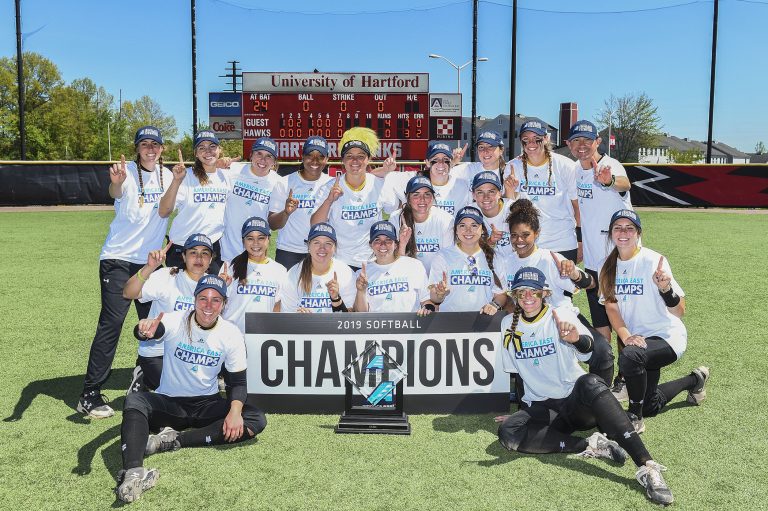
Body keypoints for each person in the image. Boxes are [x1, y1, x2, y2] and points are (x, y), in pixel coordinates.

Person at [496, 267, 674, 506]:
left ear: (544, 294)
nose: (528, 297)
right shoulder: (508, 324)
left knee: (590, 381)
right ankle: (591, 445)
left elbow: (591, 351)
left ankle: (647, 466)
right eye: (522, 292)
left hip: (575, 403)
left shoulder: (560, 316)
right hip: (544, 408)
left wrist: (576, 339)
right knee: (508, 433)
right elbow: (517, 373)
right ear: (515, 295)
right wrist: (518, 412)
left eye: (534, 292)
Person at [115, 275, 266, 503]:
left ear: (224, 304)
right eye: (203, 298)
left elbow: (238, 383)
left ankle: (175, 440)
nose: (208, 305)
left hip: (206, 405)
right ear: (194, 300)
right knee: (135, 400)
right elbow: (152, 330)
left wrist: (235, 413)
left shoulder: (231, 333)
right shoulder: (176, 320)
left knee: (255, 418)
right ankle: (134, 473)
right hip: (170, 403)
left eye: (216, 300)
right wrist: (144, 329)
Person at [77, 126, 172, 419]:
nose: (150, 149)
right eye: (145, 144)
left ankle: (145, 376)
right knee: (112, 323)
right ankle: (89, 393)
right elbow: (115, 191)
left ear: (162, 148)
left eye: (155, 144)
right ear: (137, 148)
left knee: (155, 323)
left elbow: (169, 210)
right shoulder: (127, 171)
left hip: (151, 262)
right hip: (118, 259)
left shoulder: (168, 176)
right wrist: (116, 182)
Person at [598, 209, 709, 434]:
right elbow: (611, 307)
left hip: (668, 337)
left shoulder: (653, 260)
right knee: (650, 404)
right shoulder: (606, 266)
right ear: (610, 234)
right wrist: (626, 335)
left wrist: (665, 289)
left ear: (638, 233)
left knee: (630, 355)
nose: (623, 232)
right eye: (618, 227)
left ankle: (634, 417)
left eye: (630, 228)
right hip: (639, 341)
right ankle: (694, 380)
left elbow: (679, 311)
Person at [495, 199, 614, 385]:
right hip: (527, 322)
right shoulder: (506, 262)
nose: (519, 240)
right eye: (514, 235)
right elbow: (505, 297)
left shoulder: (550, 258)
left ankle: (598, 399)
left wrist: (574, 272)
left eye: (525, 235)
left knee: (602, 352)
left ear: (537, 234)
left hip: (559, 316)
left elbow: (591, 284)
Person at [565, 120, 633, 398]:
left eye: (587, 141)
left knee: (621, 322)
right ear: (569, 145)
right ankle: (604, 374)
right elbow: (581, 211)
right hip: (594, 261)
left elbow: (623, 183)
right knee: (601, 323)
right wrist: (580, 242)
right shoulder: (574, 173)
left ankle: (626, 377)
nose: (582, 146)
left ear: (598, 143)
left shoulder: (610, 165)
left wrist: (608, 180)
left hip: (617, 260)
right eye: (576, 141)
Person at [122, 233, 214, 393]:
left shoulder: (213, 285)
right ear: (184, 256)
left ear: (211, 259)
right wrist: (149, 267)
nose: (199, 258)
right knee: (180, 396)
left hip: (192, 354)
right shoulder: (168, 275)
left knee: (199, 397)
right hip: (158, 352)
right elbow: (128, 293)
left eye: (205, 253)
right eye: (193, 252)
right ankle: (145, 375)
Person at [311, 127, 398, 271]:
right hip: (341, 261)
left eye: (361, 156)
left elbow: (394, 210)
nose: (355, 161)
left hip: (373, 260)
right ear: (343, 160)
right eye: (350, 156)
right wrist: (329, 201)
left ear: (368, 159)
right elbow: (315, 224)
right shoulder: (330, 187)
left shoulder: (379, 184)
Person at [505, 117, 582, 262]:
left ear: (546, 138)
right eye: (526, 139)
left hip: (562, 243)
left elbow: (577, 207)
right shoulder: (513, 167)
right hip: (528, 244)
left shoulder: (565, 165)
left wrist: (580, 241)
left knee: (565, 285)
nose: (531, 143)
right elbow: (510, 208)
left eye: (536, 138)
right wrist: (510, 189)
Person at [159, 131, 236, 274]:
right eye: (202, 147)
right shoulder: (185, 176)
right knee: (180, 296)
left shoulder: (227, 176)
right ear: (195, 153)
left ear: (220, 150)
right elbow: (163, 212)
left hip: (211, 249)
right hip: (182, 248)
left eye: (212, 146)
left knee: (209, 295)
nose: (208, 151)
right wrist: (176, 181)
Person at [268, 136, 333, 270]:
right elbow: (272, 224)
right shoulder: (285, 182)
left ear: (327, 159)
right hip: (289, 251)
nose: (315, 161)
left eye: (320, 156)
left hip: (322, 251)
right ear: (302, 157)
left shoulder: (332, 184)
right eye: (310, 155)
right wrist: (285, 213)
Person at [428, 206, 506, 314]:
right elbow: (434, 298)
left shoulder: (496, 257)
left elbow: (500, 294)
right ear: (456, 230)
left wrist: (493, 305)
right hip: (448, 323)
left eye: (474, 225)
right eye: (462, 225)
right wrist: (440, 293)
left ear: (482, 229)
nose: (468, 230)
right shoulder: (443, 256)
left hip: (483, 323)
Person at [219, 136, 282, 265]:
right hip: (227, 249)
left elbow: (274, 221)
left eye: (269, 156)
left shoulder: (279, 183)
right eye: (259, 153)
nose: (263, 159)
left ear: (274, 162)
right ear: (251, 155)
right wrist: (217, 164)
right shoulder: (232, 170)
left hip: (256, 250)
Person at [222, 217, 290, 332]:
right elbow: (219, 305)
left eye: (261, 238)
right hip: (232, 335)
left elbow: (278, 308)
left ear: (268, 239)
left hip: (262, 338)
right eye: (250, 238)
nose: (256, 243)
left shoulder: (280, 270)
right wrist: (221, 287)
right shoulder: (229, 266)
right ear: (243, 241)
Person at [353, 221, 433, 314]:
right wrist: (361, 291)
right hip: (377, 327)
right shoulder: (362, 274)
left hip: (410, 326)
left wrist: (427, 309)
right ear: (371, 245)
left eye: (388, 240)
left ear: (395, 244)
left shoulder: (414, 265)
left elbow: (427, 300)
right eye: (377, 240)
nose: (383, 244)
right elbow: (361, 313)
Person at [281, 223, 357, 313]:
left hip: (333, 327)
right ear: (308, 246)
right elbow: (287, 315)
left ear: (335, 247)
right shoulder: (293, 274)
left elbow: (349, 319)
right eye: (317, 243)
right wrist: (299, 318)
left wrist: (336, 299)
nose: (322, 248)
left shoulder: (345, 272)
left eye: (328, 243)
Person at [388, 175, 454, 273]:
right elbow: (391, 261)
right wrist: (402, 244)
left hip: (436, 279)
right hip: (406, 277)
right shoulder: (396, 218)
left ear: (433, 198)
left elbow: (448, 258)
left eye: (427, 194)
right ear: (408, 198)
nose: (422, 199)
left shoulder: (445, 219)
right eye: (416, 194)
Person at [386, 141, 472, 215]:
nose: (441, 163)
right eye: (435, 159)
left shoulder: (462, 185)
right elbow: (383, 177)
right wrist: (385, 169)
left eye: (445, 159)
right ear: (427, 162)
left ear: (451, 162)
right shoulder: (414, 179)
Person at [470, 171, 514, 258]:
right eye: (480, 192)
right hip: (485, 267)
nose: (486, 197)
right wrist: (490, 242)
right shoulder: (470, 213)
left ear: (500, 193)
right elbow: (469, 252)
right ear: (473, 195)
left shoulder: (513, 210)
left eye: (491, 191)